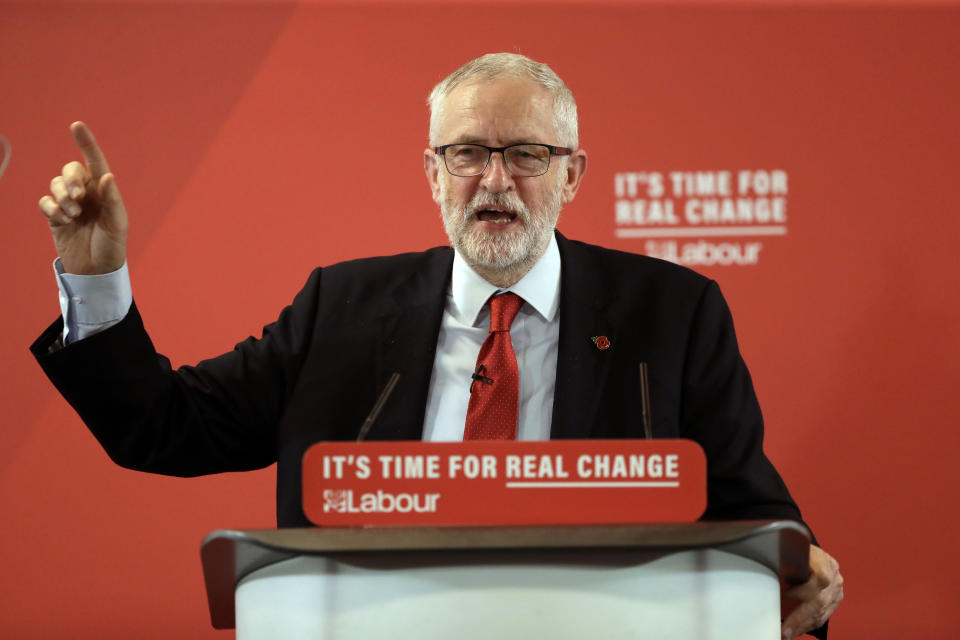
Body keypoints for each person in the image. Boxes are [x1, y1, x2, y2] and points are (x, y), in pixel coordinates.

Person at [31, 53, 842, 638]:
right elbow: (167, 428)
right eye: (466, 153)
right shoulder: (341, 308)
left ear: (574, 175)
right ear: (431, 171)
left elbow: (753, 513)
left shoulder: (673, 312)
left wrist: (802, 567)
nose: (494, 179)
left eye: (526, 153)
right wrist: (97, 281)